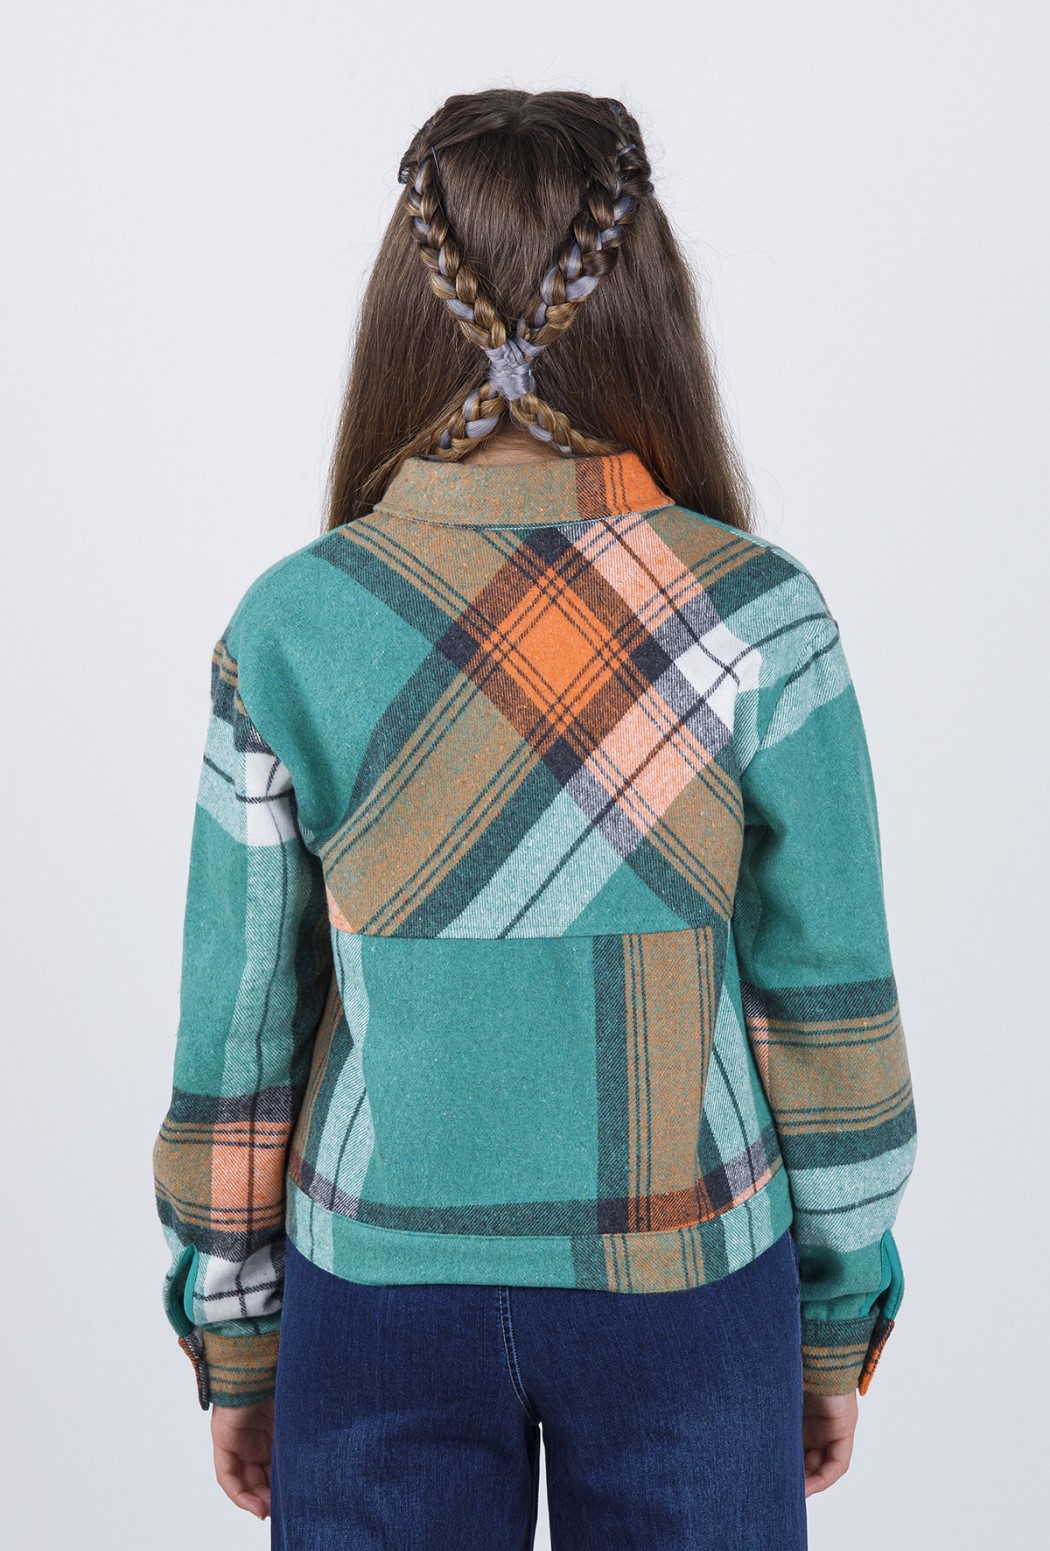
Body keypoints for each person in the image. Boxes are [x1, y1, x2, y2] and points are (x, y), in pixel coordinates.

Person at [151, 89, 918, 1549]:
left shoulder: (292, 623)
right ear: (650, 314)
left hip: (376, 1286)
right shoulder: (760, 616)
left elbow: (237, 1030)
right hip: (689, 1278)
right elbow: (830, 1008)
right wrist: (835, 1316)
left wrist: (236, 1335)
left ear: (403, 318)